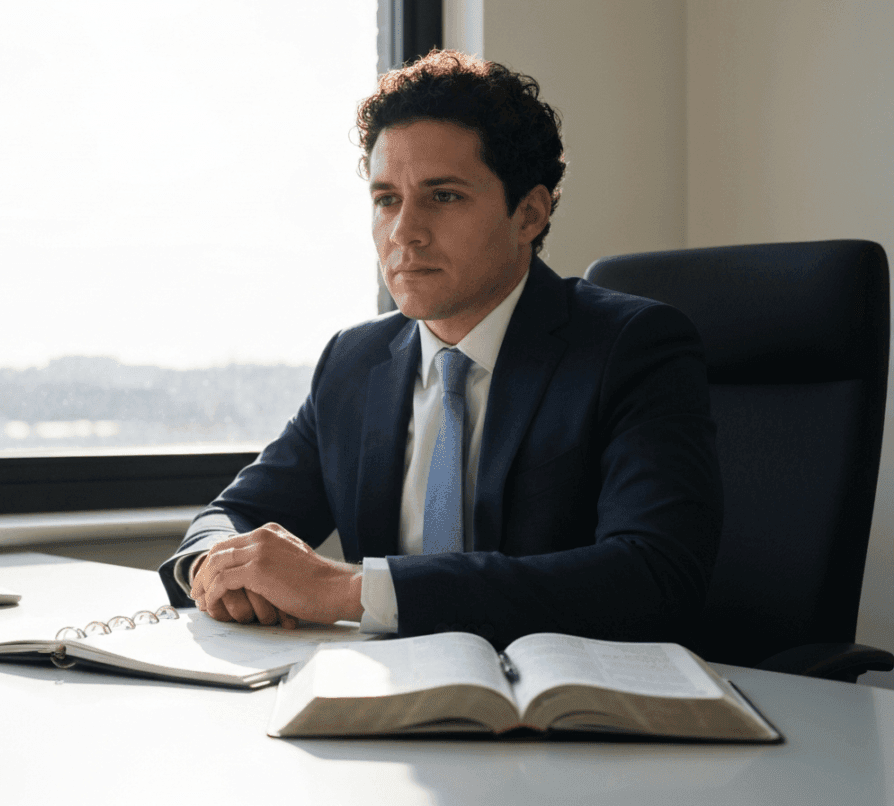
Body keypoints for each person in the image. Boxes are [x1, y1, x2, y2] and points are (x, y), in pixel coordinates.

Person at [158, 50, 722, 648]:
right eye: (386, 199)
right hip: (391, 690)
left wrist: (350, 592)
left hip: (567, 693)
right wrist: (217, 566)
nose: (404, 232)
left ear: (529, 214)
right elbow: (231, 516)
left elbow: (654, 575)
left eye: (444, 196)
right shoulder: (354, 361)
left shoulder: (632, 347)